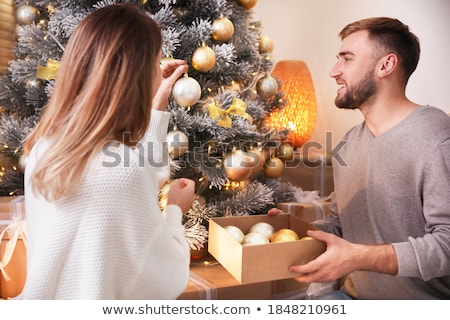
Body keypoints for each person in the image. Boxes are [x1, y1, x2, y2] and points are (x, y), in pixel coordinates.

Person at [18, 4, 196, 299]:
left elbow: (128, 177)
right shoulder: (126, 169)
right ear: (135, 75)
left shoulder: (45, 148)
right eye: (156, 60)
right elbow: (165, 276)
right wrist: (175, 210)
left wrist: (156, 105)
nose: (159, 67)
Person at [270, 17, 450, 299]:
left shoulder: (437, 138)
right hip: (353, 298)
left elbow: (446, 246)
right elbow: (341, 224)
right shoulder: (348, 143)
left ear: (385, 65)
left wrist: (357, 258)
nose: (333, 71)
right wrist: (291, 231)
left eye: (347, 59)